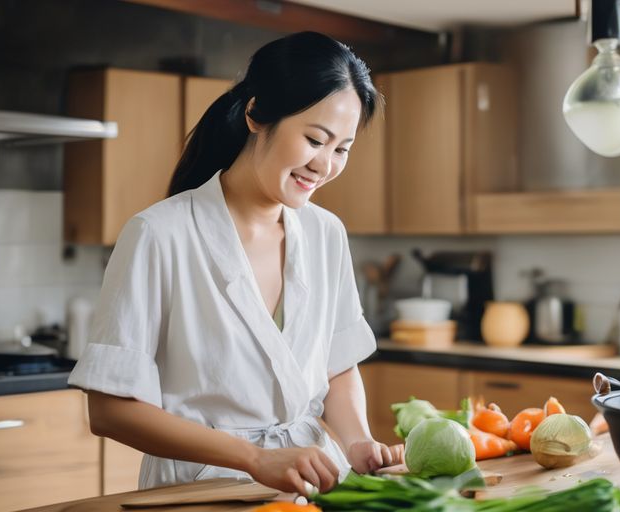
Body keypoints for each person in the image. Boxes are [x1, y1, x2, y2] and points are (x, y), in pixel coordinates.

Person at [68, 31, 402, 496]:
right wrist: (254, 458)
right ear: (255, 114)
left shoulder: (326, 234)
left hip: (311, 483)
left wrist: (358, 441)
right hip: (198, 492)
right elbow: (110, 411)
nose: (324, 165)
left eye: (341, 148)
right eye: (314, 139)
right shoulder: (159, 234)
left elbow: (338, 366)